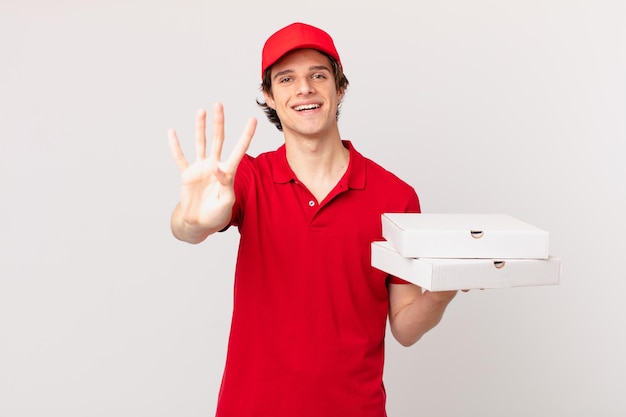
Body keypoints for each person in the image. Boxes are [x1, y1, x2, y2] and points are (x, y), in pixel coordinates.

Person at [168, 22, 458, 417]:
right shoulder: (249, 179)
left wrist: (443, 289)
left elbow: (405, 327)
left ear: (340, 88)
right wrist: (193, 218)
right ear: (269, 97)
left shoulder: (396, 196)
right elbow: (187, 229)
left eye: (317, 75)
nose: (303, 88)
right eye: (286, 79)